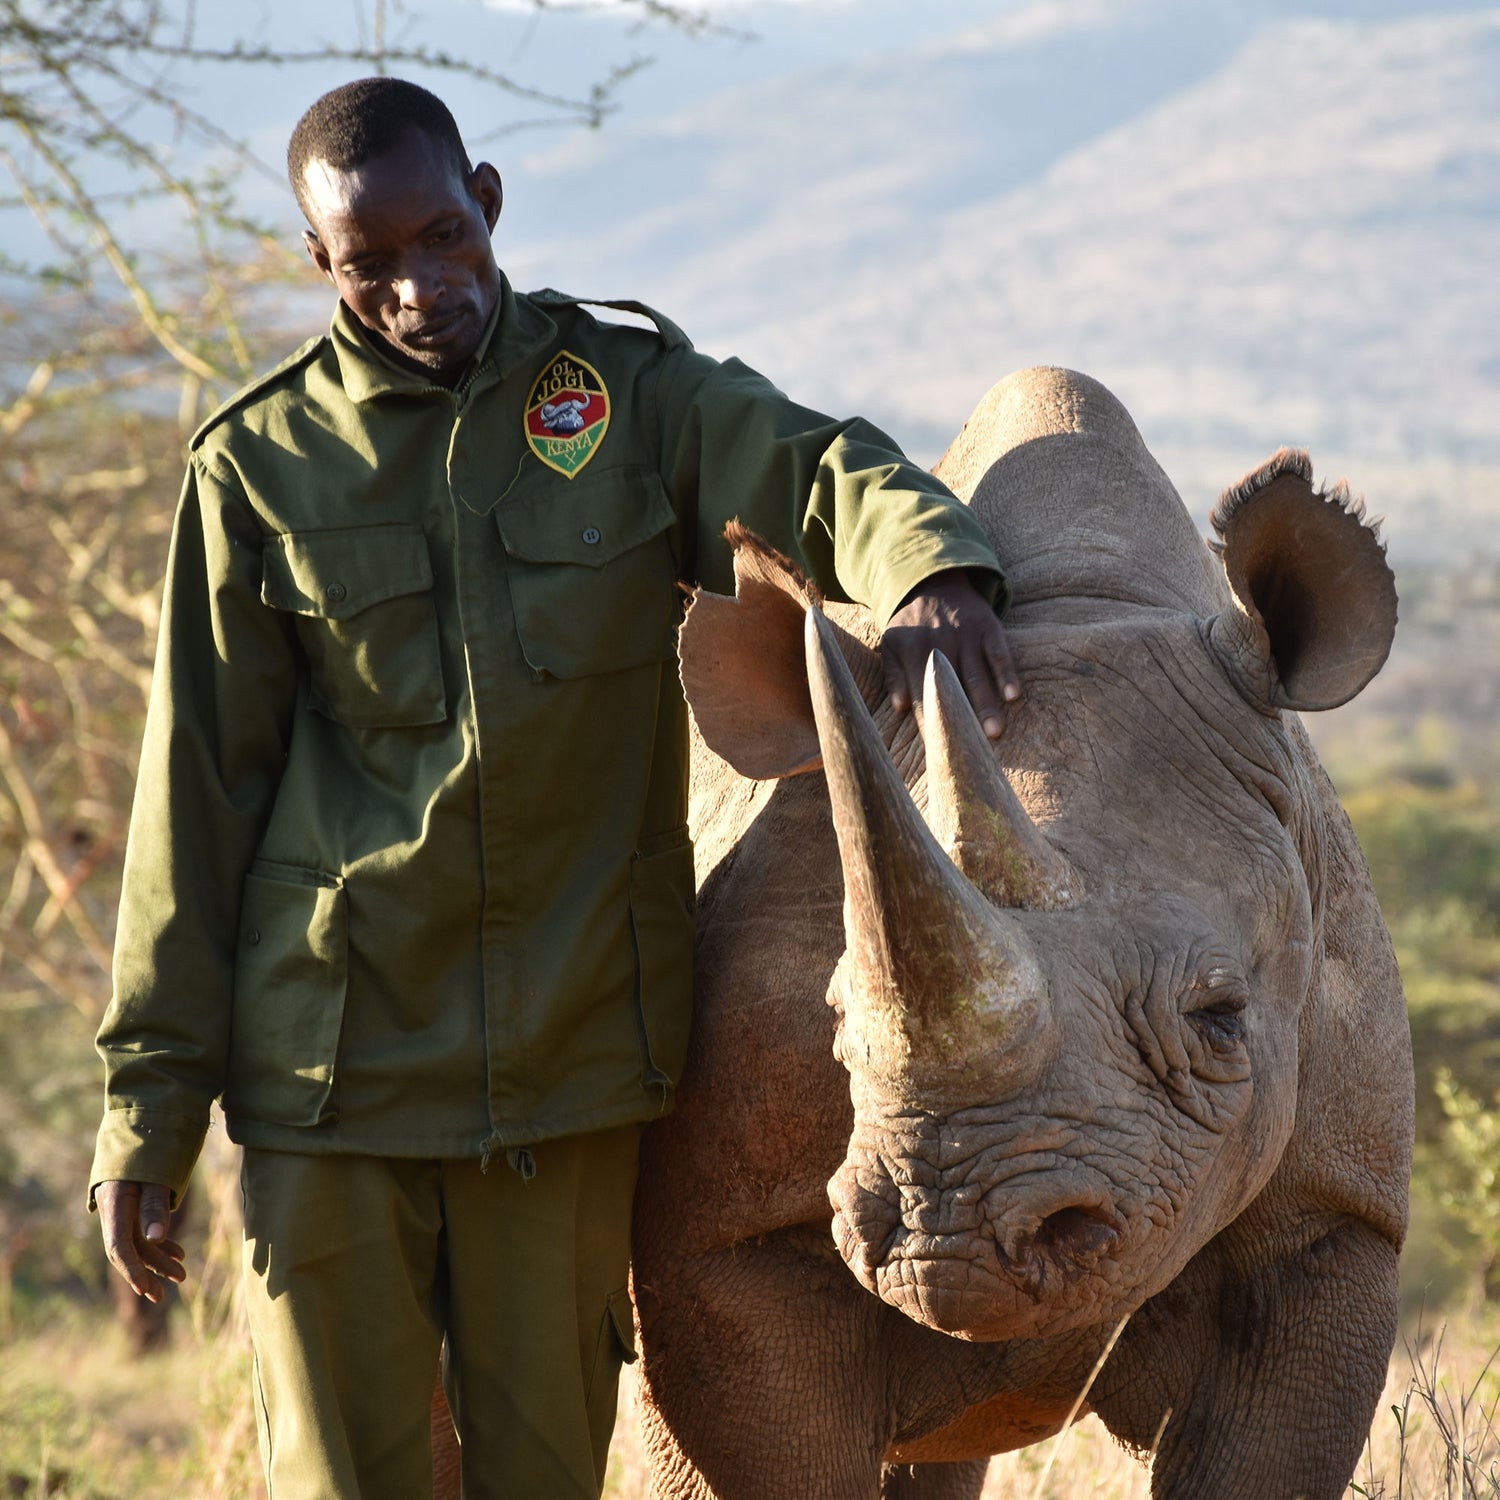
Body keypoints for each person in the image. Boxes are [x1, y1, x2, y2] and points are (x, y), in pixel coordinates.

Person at [91, 77, 1017, 1500]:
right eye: (371, 263)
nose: (419, 287)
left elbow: (816, 467)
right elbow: (193, 805)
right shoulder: (259, 468)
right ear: (319, 267)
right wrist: (146, 1110)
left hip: (568, 1076)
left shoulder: (628, 399)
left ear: (491, 204)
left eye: (443, 236)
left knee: (544, 1476)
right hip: (328, 1081)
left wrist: (934, 569)